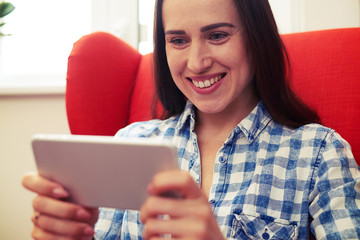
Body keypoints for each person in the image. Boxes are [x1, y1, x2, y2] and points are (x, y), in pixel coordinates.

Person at [22, 0, 360, 239]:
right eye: (179, 41)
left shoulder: (319, 152)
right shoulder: (130, 142)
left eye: (217, 35)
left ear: (257, 40)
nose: (196, 63)